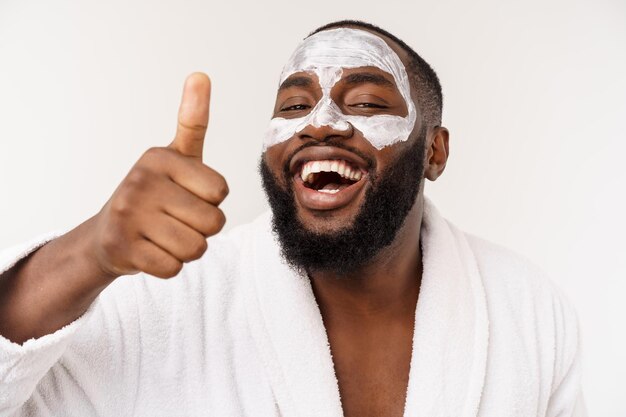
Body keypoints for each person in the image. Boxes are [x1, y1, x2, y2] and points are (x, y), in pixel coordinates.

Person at [0, 20, 585, 417]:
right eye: (294, 105)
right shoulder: (170, 299)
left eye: (364, 103)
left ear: (434, 151)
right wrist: (89, 255)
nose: (320, 123)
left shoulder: (527, 309)